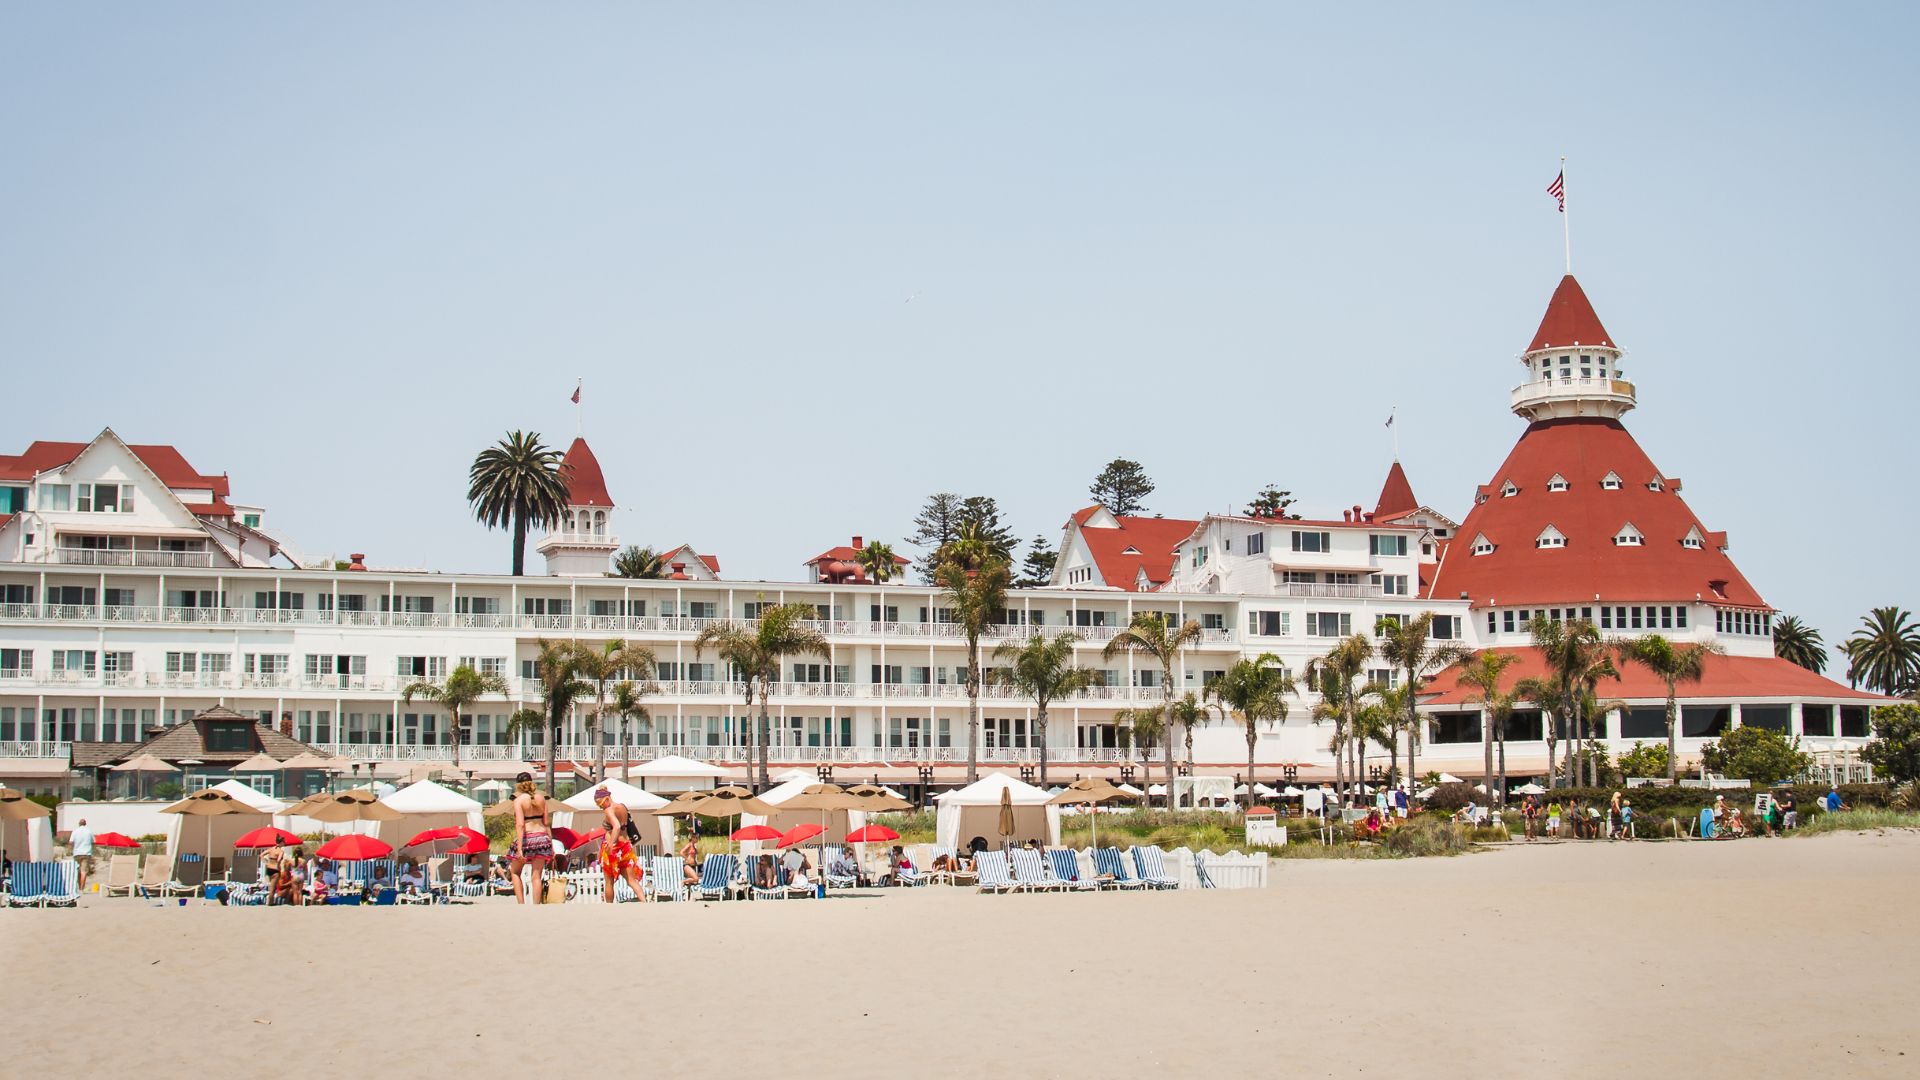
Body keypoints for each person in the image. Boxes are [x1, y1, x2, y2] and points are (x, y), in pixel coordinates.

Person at [594, 787, 645, 903]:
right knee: (631, 880)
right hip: (625, 845)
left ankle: (609, 907)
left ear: (607, 798)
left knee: (609, 881)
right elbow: (625, 826)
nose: (601, 807)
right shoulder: (622, 807)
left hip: (614, 847)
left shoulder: (609, 810)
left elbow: (616, 826)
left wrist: (610, 844)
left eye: (601, 804)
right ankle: (644, 902)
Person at [510, 772, 553, 905]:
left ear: (518, 786)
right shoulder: (542, 799)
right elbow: (546, 823)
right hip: (542, 838)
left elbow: (520, 824)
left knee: (515, 872)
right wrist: (551, 844)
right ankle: (536, 905)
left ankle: (521, 904)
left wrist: (519, 848)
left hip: (527, 838)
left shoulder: (518, 801)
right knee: (536, 876)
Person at [69, 818, 94, 890]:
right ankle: (81, 888)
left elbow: (71, 842)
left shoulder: (75, 831)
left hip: (77, 853)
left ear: (79, 824)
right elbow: (93, 841)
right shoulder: (89, 831)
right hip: (86, 853)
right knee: (83, 871)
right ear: (85, 824)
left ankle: (77, 886)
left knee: (77, 870)